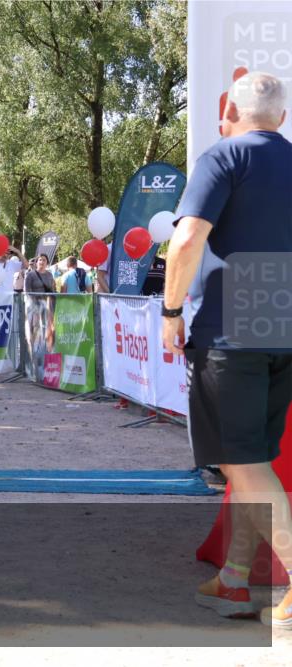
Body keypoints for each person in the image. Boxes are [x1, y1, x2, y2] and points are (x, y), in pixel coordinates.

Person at [161, 71, 292, 626]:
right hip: (282, 324)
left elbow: (187, 237)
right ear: (281, 118)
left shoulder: (223, 156)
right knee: (250, 461)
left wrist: (169, 313)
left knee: (243, 462)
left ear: (229, 116)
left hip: (231, 330)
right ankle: (236, 580)